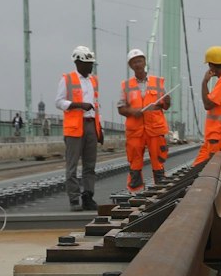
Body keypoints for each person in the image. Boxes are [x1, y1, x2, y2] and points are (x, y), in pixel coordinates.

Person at [56, 46, 105, 210]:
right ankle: (74, 199)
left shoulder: (93, 81)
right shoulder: (67, 79)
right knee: (72, 166)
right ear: (78, 63)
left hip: (91, 125)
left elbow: (96, 105)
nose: (90, 66)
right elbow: (59, 102)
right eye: (87, 63)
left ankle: (88, 196)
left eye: (91, 63)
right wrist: (78, 105)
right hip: (74, 128)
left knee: (90, 165)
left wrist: (100, 129)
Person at [117, 48, 170, 191]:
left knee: (158, 163)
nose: (137, 64)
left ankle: (160, 191)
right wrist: (132, 112)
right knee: (135, 164)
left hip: (155, 130)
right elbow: (121, 108)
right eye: (134, 62)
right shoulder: (126, 86)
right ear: (130, 66)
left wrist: (167, 100)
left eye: (139, 61)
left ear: (144, 62)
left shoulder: (158, 83)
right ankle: (135, 194)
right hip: (135, 131)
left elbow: (166, 106)